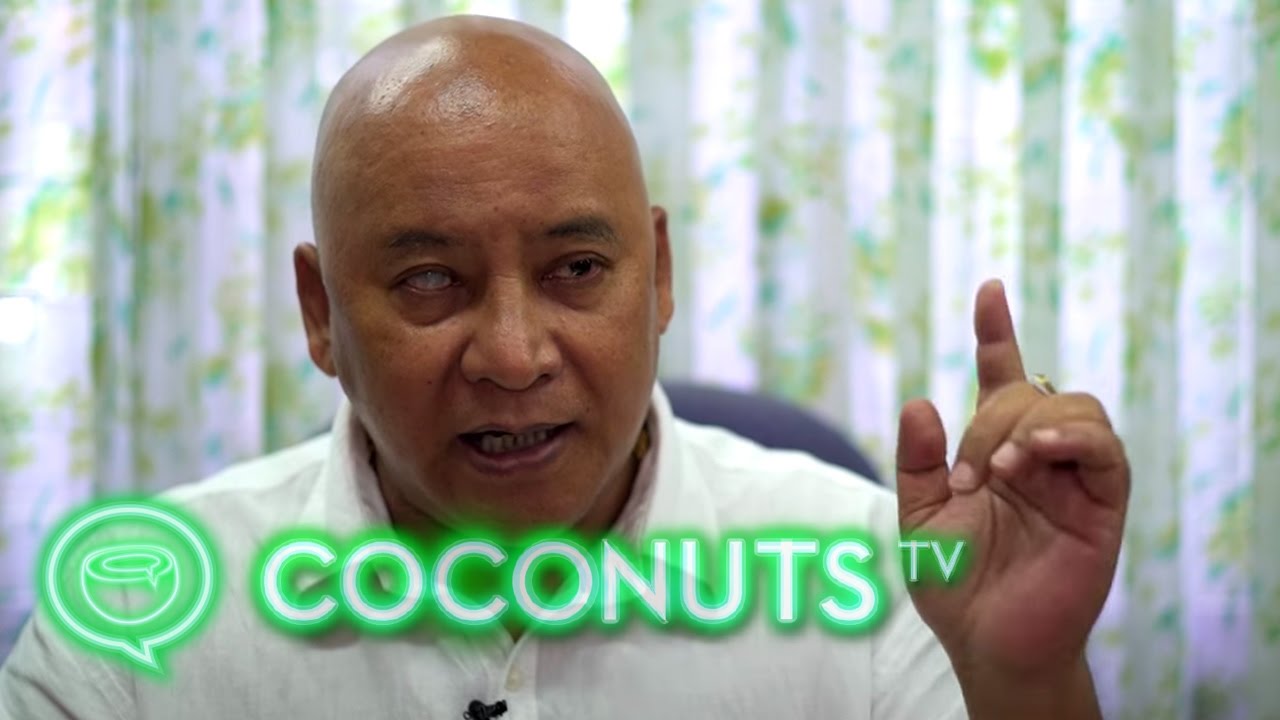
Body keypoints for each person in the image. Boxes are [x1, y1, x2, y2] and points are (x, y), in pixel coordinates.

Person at [0, 15, 1129, 719]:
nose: (511, 356)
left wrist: (1024, 685)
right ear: (321, 313)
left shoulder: (880, 585)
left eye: (576, 268)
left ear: (660, 274)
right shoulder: (133, 628)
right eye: (429, 280)